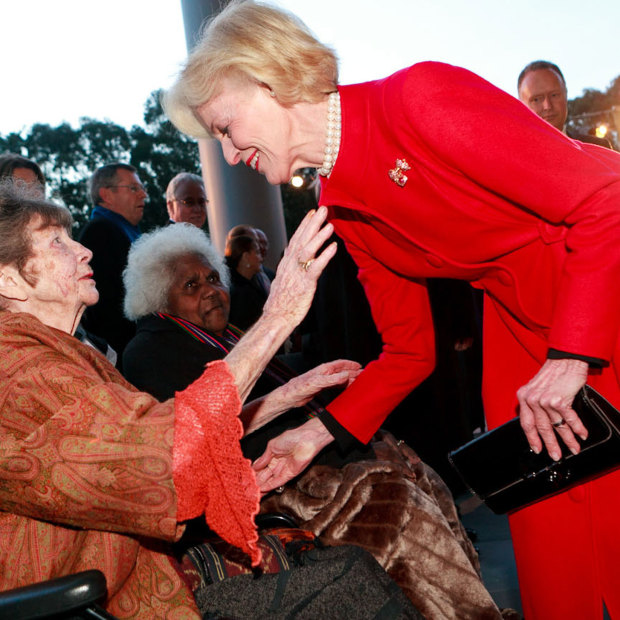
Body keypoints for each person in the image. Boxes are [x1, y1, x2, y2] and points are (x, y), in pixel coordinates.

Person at [162, 2, 620, 618]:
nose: (227, 149)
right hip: (521, 339)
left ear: (264, 79)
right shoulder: (339, 199)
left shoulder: (418, 100)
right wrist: (312, 436)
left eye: (223, 126)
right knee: (555, 554)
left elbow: (606, 198)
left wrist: (571, 353)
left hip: (596, 300)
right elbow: (409, 349)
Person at [1, 182, 421, 618]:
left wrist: (280, 400)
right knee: (347, 580)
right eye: (57, 241)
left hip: (141, 570)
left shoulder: (57, 352)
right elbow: (161, 455)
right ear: (7, 279)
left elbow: (142, 442)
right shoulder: (18, 367)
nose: (84, 251)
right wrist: (277, 316)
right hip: (104, 601)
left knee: (350, 564)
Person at [121, 223, 505, 619]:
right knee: (394, 501)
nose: (210, 291)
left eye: (214, 278)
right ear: (159, 300)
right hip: (265, 484)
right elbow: (197, 442)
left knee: (418, 473)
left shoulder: (224, 336)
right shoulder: (149, 351)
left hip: (305, 461)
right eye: (190, 286)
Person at [78, 163, 147, 365]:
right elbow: (109, 311)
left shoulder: (124, 231)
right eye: (134, 188)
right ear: (106, 195)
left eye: (143, 188)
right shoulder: (100, 233)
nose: (143, 195)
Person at [517, 60, 613, 148]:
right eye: (536, 99)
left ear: (566, 94)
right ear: (521, 105)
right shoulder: (510, 158)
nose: (547, 106)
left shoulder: (598, 148)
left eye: (554, 95)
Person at [225, 232, 268, 330]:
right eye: (257, 252)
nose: (260, 257)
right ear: (246, 257)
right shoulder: (239, 293)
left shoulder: (250, 285)